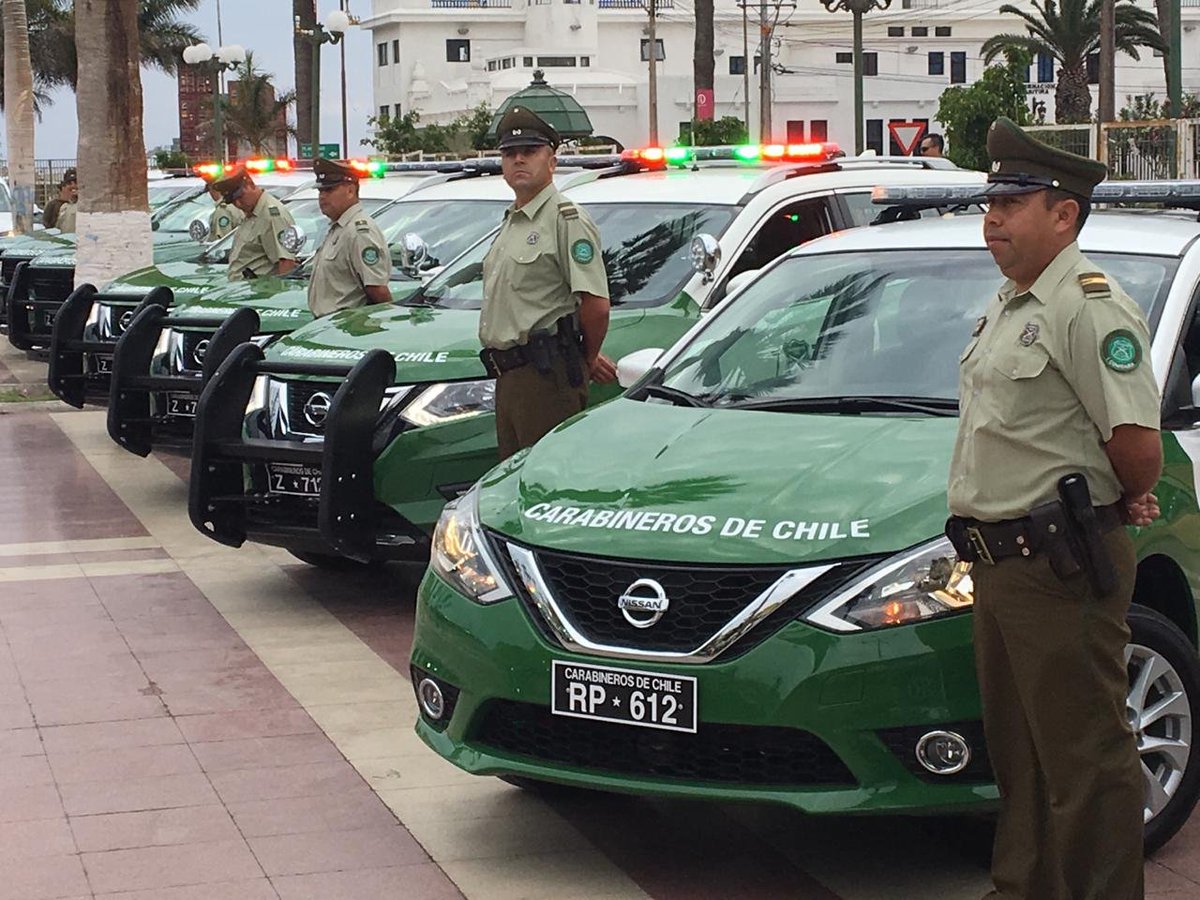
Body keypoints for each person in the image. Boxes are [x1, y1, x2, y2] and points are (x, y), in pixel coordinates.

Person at [946, 117, 1161, 900]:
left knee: (1087, 757)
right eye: (989, 203)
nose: (992, 218)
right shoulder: (1011, 303)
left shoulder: (1088, 304)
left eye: (1013, 202)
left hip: (1060, 564)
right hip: (999, 566)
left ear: (1063, 213)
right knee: (1022, 757)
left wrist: (1110, 497)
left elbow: (1137, 445)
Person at [479, 105, 615, 460]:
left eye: (530, 152)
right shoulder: (513, 221)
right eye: (510, 153)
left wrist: (583, 359)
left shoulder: (566, 219)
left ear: (552, 161)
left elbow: (596, 305)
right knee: (511, 485)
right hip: (509, 377)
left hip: (546, 376)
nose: (519, 160)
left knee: (542, 480)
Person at [306, 158, 392, 317]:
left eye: (329, 190)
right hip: (327, 325)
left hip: (347, 327)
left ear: (350, 191)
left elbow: (377, 290)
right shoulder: (338, 228)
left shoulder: (359, 231)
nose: (322, 196)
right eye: (320, 191)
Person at [209, 168, 297, 281]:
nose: (238, 204)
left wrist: (280, 295)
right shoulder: (252, 213)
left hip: (260, 291)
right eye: (233, 201)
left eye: (240, 197)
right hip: (243, 290)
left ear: (250, 184)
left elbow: (285, 263)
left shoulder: (271, 216)